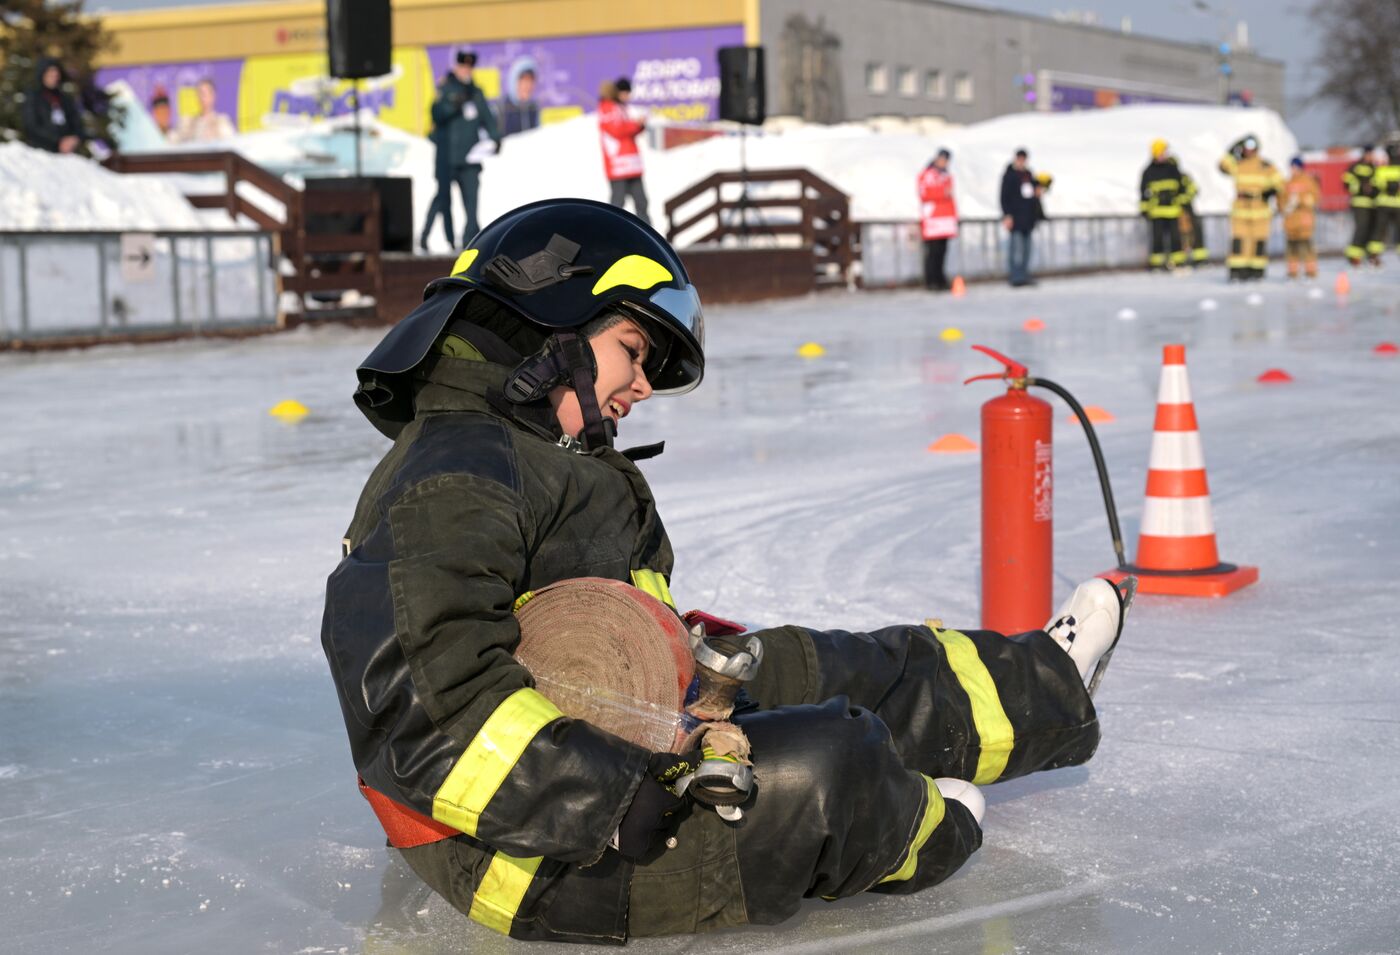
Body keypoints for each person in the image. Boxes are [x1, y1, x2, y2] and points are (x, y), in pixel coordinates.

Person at [321, 197, 1129, 944]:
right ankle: (918, 825)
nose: (641, 386)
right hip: (534, 855)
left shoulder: (530, 457)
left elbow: (587, 632)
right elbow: (424, 711)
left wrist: (695, 678)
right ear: (549, 330)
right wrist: (616, 799)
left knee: (834, 662)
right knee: (829, 766)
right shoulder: (452, 476)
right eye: (632, 352)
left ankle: (1047, 683)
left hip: (619, 741)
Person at [430, 50, 501, 246]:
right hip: (449, 158)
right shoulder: (446, 89)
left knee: (472, 205)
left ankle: (470, 243)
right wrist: (453, 105)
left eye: (469, 67)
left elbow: (487, 118)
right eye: (463, 66)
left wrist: (495, 139)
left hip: (470, 158)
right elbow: (437, 115)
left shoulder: (476, 93)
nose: (466, 71)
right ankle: (431, 237)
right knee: (442, 201)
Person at [1218, 134, 1282, 281]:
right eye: (1246, 147)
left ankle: (1257, 271)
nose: (1249, 151)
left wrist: (1271, 191)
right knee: (1239, 241)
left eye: (1252, 147)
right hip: (1241, 210)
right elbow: (1222, 165)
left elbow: (1279, 182)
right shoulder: (1238, 164)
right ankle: (1237, 270)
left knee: (1258, 241)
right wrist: (1232, 148)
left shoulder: (1265, 166)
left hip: (1260, 210)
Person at [598, 78, 648, 221]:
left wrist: (639, 126)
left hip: (631, 165)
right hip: (618, 167)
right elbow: (617, 130)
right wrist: (635, 125)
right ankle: (610, 236)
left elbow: (626, 129)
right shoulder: (607, 108)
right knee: (617, 205)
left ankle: (649, 237)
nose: (627, 96)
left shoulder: (621, 108)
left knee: (642, 202)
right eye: (625, 92)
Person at [21, 58, 84, 155]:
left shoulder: (65, 98)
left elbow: (76, 122)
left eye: (56, 75)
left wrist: (74, 138)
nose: (54, 77)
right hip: (41, 151)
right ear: (43, 75)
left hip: (67, 152)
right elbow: (31, 126)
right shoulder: (34, 97)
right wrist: (58, 140)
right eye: (50, 74)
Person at [999, 148, 1044, 287]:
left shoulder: (1029, 175)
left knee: (1026, 249)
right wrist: (1007, 215)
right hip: (1016, 217)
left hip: (1028, 218)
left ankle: (1024, 274)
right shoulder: (1009, 175)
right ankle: (1015, 276)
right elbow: (1004, 197)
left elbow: (1036, 192)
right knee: (1015, 249)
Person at [1139, 139, 1185, 271]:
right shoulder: (1148, 171)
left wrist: (1180, 203)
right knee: (1157, 238)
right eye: (1162, 152)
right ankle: (1157, 264)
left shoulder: (1172, 168)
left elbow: (1181, 188)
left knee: (1175, 238)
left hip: (1172, 210)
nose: (1165, 154)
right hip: (1157, 212)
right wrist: (1144, 209)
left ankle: (1177, 262)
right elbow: (1143, 192)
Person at [917, 148, 958, 291]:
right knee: (932, 252)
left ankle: (940, 279)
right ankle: (931, 280)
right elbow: (924, 194)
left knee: (942, 251)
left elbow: (951, 198)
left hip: (945, 219)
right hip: (933, 219)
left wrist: (954, 217)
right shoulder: (927, 175)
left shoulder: (946, 176)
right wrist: (942, 193)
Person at [1340, 144, 1381, 267]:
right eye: (1369, 154)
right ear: (1365, 154)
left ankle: (1368, 256)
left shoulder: (1374, 167)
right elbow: (1347, 181)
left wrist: (1373, 190)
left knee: (1371, 229)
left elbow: (1378, 184)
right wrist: (1360, 188)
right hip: (1359, 203)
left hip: (1372, 204)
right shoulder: (1355, 167)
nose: (1371, 156)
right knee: (1361, 229)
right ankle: (1354, 256)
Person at [1282, 156, 1320, 280]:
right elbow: (1281, 200)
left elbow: (1315, 198)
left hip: (1304, 220)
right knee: (1292, 248)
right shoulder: (1287, 183)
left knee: (1306, 247)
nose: (1293, 170)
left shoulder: (1308, 181)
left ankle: (1310, 272)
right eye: (1291, 167)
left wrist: (1302, 200)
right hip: (1291, 221)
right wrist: (1285, 205)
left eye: (1295, 167)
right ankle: (1292, 272)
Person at [172, 77, 235, 143]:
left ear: (213, 96)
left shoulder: (222, 121)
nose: (201, 97)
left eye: (204, 94)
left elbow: (230, 142)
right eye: (199, 93)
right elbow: (174, 140)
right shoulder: (189, 122)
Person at [1373, 142, 1400, 261]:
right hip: (1398, 204)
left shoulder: (1381, 170)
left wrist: (1389, 186)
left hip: (1383, 204)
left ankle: (1374, 256)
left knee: (1380, 231)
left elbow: (1377, 185)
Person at [500, 60, 541, 137]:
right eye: (524, 81)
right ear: (514, 81)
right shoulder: (502, 108)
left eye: (531, 81)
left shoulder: (533, 108)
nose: (528, 86)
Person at [1177, 168, 1209, 267]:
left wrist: (1183, 199)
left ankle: (1198, 258)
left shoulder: (1183, 177)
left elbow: (1194, 190)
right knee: (1181, 234)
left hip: (1187, 208)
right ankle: (1182, 258)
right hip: (1176, 210)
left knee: (1192, 232)